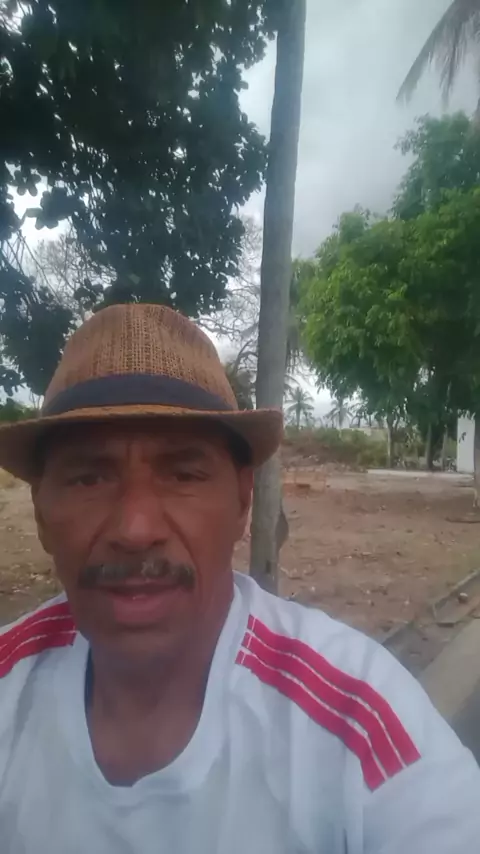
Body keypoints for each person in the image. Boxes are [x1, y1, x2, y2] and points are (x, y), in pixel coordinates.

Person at [0, 303, 478, 854]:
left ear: (242, 501)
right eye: (89, 478)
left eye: (183, 474)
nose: (135, 529)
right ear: (41, 512)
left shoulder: (359, 722)